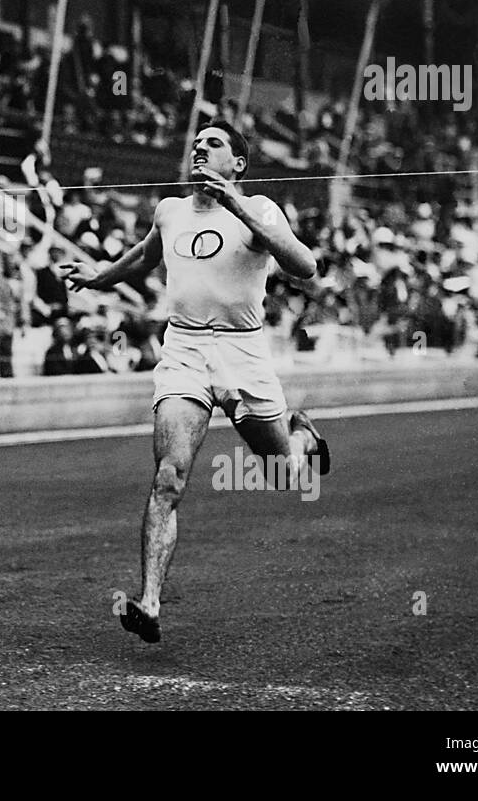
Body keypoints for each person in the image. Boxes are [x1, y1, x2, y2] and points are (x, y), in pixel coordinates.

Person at [62, 121, 331, 643]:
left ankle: (303, 438)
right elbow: (145, 256)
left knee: (285, 474)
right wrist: (99, 276)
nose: (201, 148)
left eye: (214, 144)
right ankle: (150, 601)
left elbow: (306, 266)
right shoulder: (170, 210)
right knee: (169, 475)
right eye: (198, 142)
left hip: (243, 351)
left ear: (238, 164)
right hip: (184, 348)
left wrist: (237, 206)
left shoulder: (260, 210)